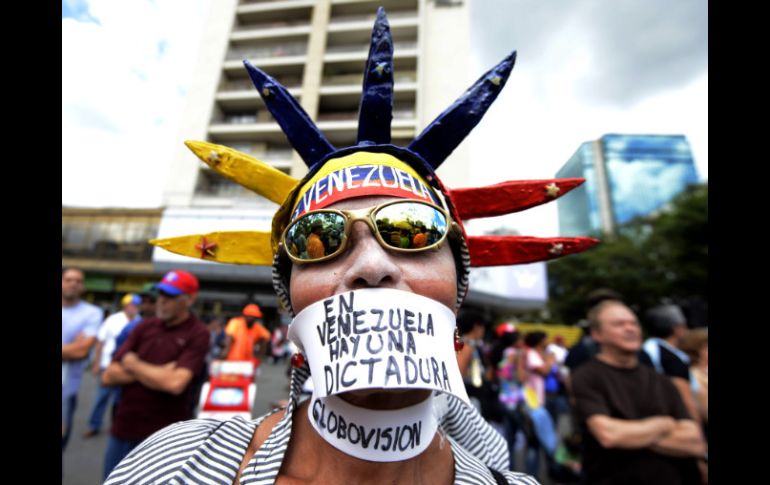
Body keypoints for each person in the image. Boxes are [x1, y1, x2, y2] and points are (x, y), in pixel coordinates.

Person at [107, 8, 597, 484]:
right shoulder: (174, 463)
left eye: (414, 231)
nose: (371, 267)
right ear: (289, 297)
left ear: (457, 285)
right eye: (318, 238)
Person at [571, 300, 705, 484]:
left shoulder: (661, 381)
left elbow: (695, 443)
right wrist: (663, 424)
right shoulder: (586, 377)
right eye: (619, 324)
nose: (630, 328)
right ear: (597, 334)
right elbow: (609, 435)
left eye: (633, 323)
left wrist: (630, 434)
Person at [101, 270, 209, 480]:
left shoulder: (198, 333)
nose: (162, 301)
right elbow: (109, 376)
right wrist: (159, 372)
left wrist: (133, 363)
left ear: (189, 299)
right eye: (161, 295)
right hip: (124, 427)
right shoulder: (144, 326)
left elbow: (175, 384)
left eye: (170, 296)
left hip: (166, 437)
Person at [83, 293, 141, 438]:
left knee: (120, 400)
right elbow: (100, 342)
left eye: (136, 306)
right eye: (132, 305)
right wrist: (96, 363)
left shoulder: (140, 322)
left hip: (126, 370)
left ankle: (116, 427)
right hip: (107, 365)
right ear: (125, 305)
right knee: (101, 397)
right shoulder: (113, 320)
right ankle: (93, 425)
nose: (134, 308)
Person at [61, 267, 102, 453]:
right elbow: (75, 349)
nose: (73, 284)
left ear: (83, 286)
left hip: (66, 391)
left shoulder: (92, 313)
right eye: (68, 279)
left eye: (78, 281)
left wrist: (78, 348)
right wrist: (70, 347)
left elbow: (82, 351)